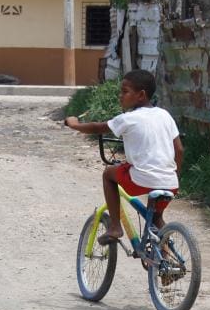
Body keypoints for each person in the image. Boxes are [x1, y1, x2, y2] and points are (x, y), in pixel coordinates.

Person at [63, 69, 183, 245]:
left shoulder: (128, 118)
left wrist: (75, 124)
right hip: (171, 182)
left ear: (141, 95)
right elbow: (179, 150)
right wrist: (176, 175)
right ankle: (164, 260)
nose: (120, 96)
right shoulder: (165, 115)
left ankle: (115, 227)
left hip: (142, 179)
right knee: (156, 218)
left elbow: (98, 127)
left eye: (125, 91)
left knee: (108, 174)